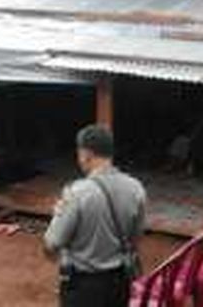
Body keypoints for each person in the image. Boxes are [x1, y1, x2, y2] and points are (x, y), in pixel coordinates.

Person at [44, 124, 146, 307]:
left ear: (86, 154)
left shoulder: (76, 192)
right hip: (120, 284)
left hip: (83, 289)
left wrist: (57, 216)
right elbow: (136, 239)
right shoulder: (136, 188)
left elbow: (51, 243)